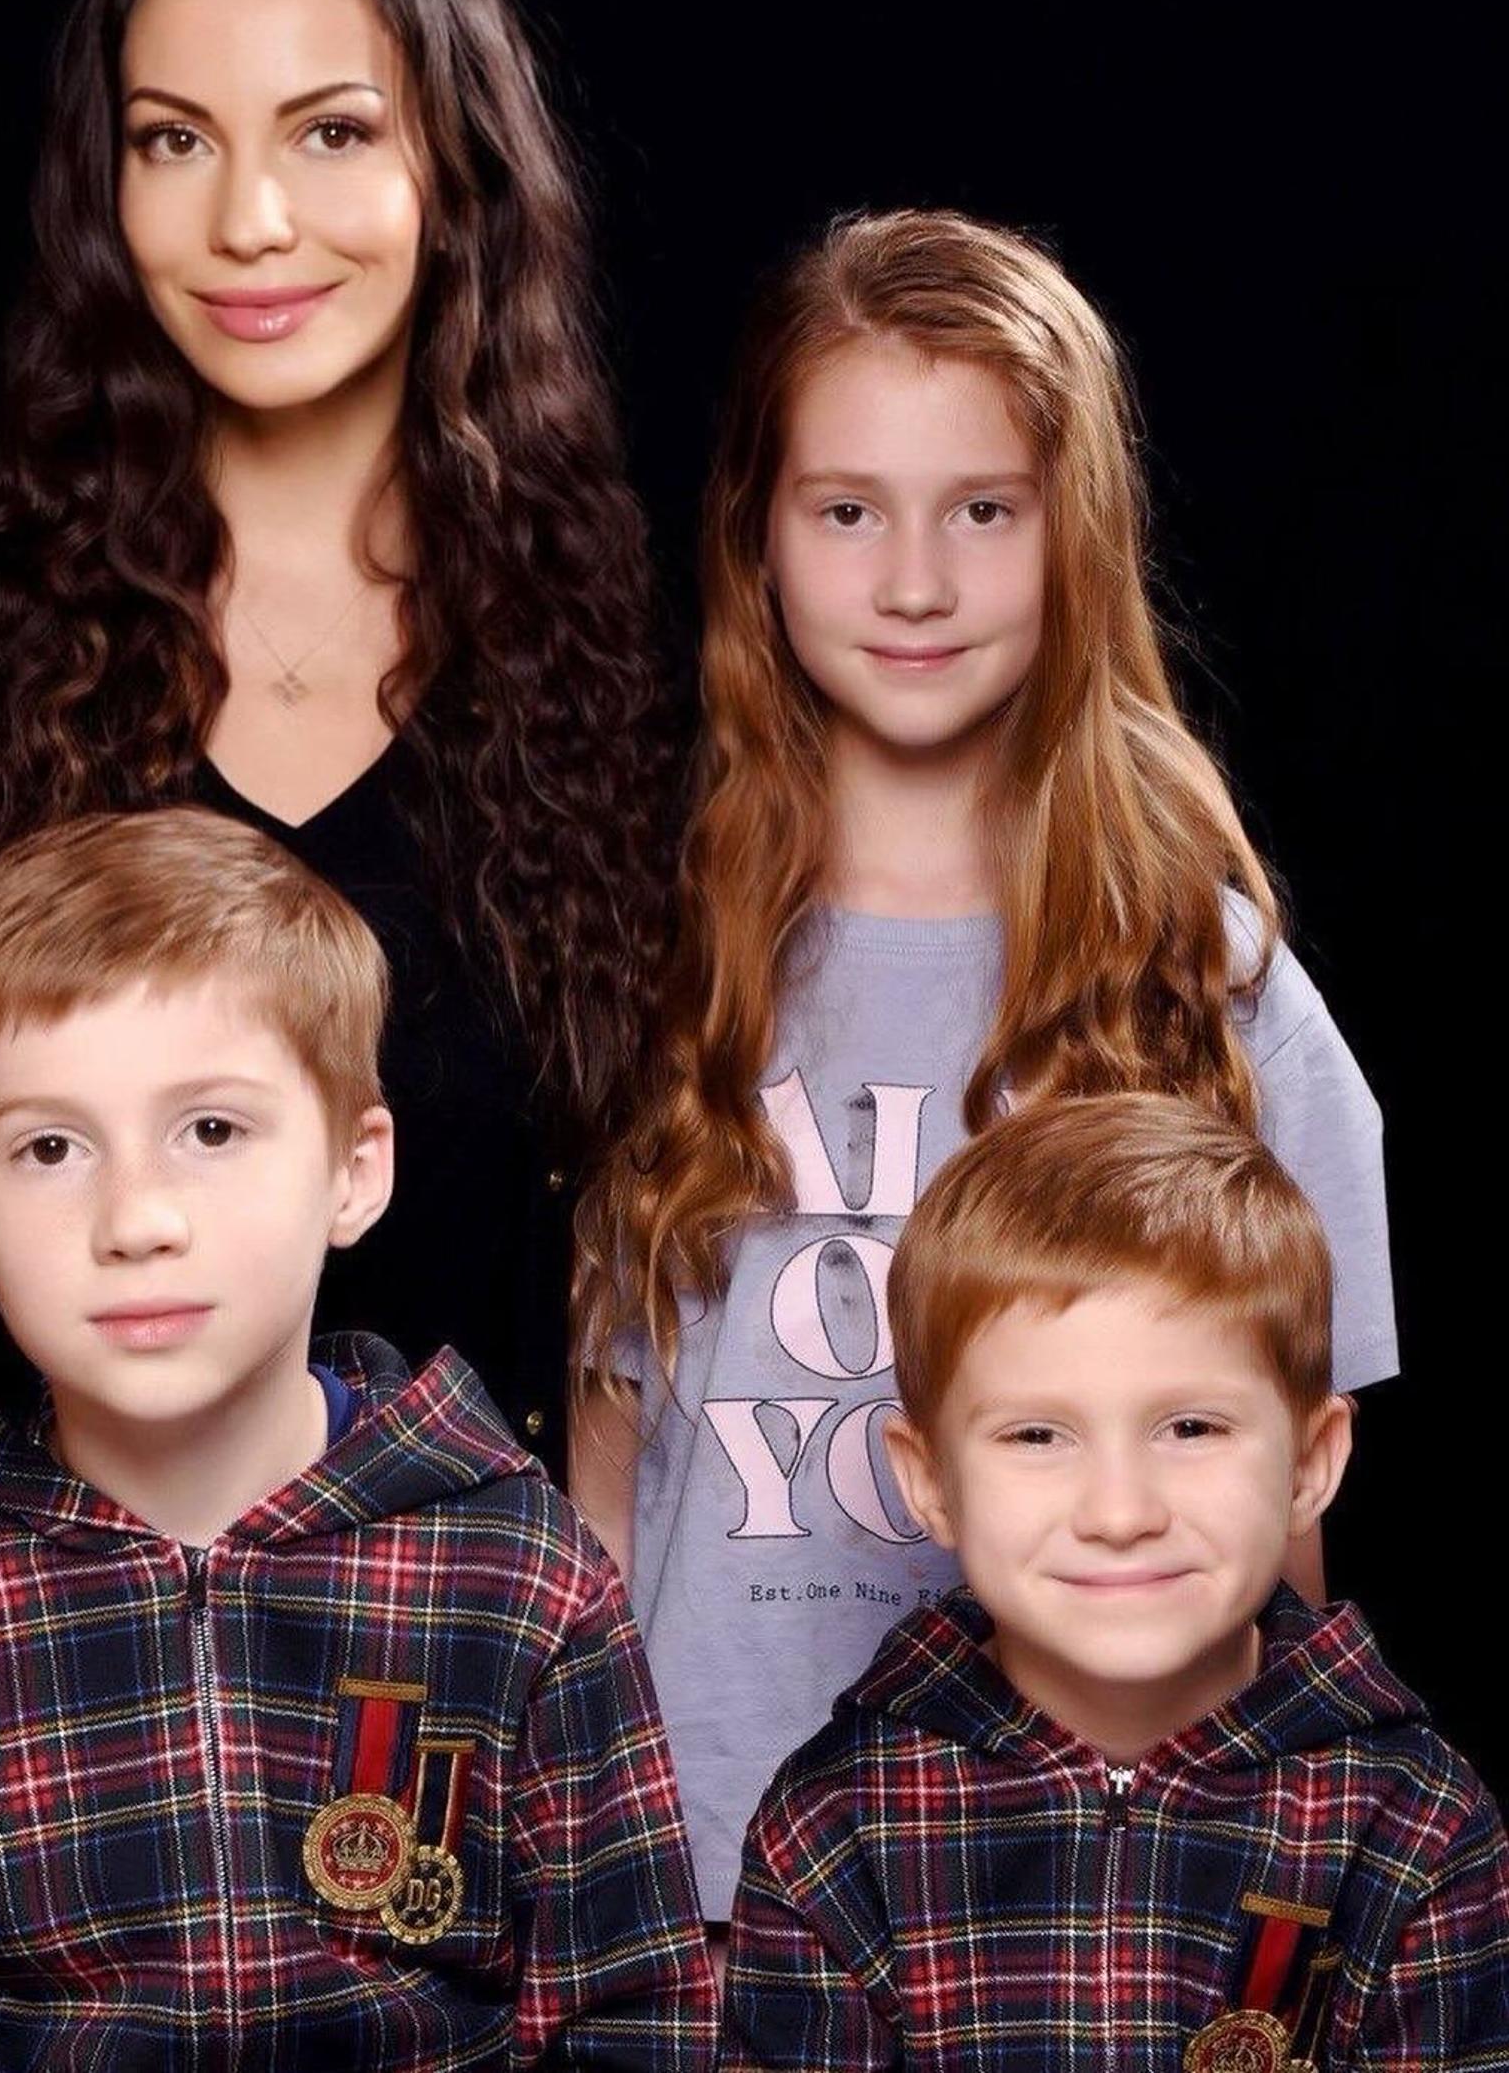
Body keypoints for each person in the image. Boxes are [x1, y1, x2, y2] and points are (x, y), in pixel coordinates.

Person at [0, 0, 678, 1836]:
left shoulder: (626, 684)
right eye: (174, 139)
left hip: (466, 1753)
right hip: (29, 1748)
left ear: (457, 175)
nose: (247, 219)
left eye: (331, 132)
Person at [569, 209, 1396, 1925]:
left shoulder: (1211, 982)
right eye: (847, 510)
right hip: (709, 1884)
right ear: (758, 537)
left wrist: (1269, 1874)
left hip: (1091, 1901)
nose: (916, 583)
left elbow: (1281, 1521)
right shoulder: (665, 960)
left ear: (1074, 537)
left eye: (985, 511)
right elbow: (611, 1457)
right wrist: (600, 1852)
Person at [0, 806, 717, 2069]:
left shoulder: (520, 1571)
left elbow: (632, 2017)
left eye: (211, 1129)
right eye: (49, 1146)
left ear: (354, 1169)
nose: (137, 1218)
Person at [721, 1094, 1507, 2068]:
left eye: (1191, 1427)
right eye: (1036, 1435)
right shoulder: (834, 1829)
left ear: (1309, 1463)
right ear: (930, 1481)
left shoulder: (1415, 1823)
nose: (1120, 1510)